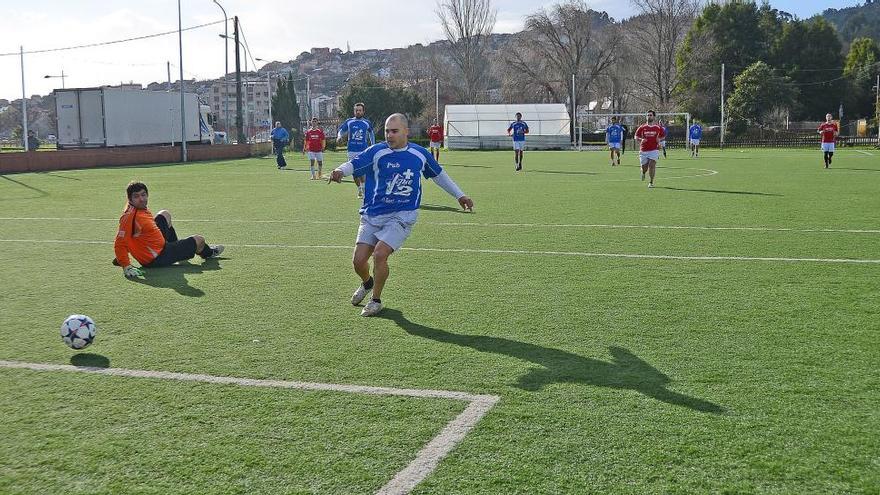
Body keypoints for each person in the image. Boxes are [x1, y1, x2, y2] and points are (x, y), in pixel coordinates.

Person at [328, 113, 473, 317]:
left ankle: (375, 300)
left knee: (380, 254)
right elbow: (355, 162)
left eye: (394, 131)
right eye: (387, 131)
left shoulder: (419, 154)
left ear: (406, 131)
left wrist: (460, 195)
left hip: (402, 215)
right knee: (358, 262)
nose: (389, 135)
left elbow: (439, 175)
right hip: (372, 214)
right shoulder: (377, 151)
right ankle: (367, 283)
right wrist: (340, 171)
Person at [113, 181, 224, 278]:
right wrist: (126, 265)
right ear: (130, 199)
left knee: (164, 214)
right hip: (157, 257)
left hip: (158, 245)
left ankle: (178, 251)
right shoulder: (129, 217)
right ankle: (209, 253)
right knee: (199, 240)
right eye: (136, 196)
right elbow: (120, 243)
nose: (141, 199)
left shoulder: (137, 208)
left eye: (143, 195)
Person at [337, 102, 375, 198]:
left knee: (363, 171)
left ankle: (364, 188)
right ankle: (359, 189)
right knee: (354, 172)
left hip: (363, 151)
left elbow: (371, 133)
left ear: (363, 111)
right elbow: (341, 130)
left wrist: (373, 145)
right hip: (351, 150)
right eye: (356, 110)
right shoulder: (349, 121)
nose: (358, 112)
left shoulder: (366, 122)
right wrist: (339, 137)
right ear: (354, 111)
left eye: (360, 110)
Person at [634, 110, 666, 189]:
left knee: (652, 165)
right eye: (648, 115)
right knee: (644, 168)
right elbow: (636, 136)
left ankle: (651, 182)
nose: (649, 116)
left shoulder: (658, 127)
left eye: (650, 115)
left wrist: (659, 140)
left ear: (654, 116)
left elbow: (663, 136)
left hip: (654, 150)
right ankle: (643, 173)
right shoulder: (642, 127)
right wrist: (641, 140)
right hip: (643, 150)